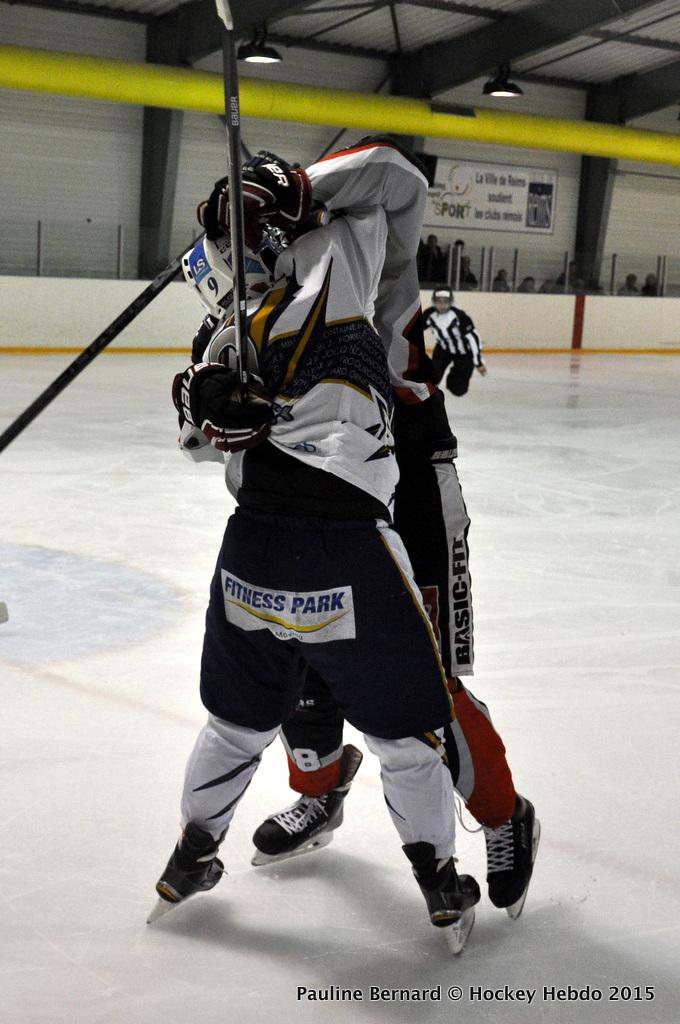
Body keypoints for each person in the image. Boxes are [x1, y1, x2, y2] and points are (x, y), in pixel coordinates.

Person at [151, 141, 488, 945]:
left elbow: (399, 177)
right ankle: (439, 881)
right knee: (405, 732)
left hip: (252, 556)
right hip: (345, 548)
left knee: (236, 725)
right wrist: (206, 406)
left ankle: (191, 856)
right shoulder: (306, 279)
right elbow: (397, 182)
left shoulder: (277, 294)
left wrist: (301, 186)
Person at [424, 287, 487, 397]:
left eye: (445, 301)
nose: (442, 305)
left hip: (463, 352)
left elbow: (473, 338)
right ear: (434, 301)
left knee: (458, 390)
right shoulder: (429, 314)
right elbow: (416, 330)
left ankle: (454, 376)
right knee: (431, 379)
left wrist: (478, 362)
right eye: (439, 301)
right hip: (442, 349)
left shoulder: (460, 316)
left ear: (451, 302)